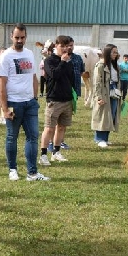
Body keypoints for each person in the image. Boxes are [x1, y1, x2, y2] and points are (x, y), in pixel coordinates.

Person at [0, 24, 49, 182]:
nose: (19, 40)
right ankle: (12, 169)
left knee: (33, 137)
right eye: (17, 37)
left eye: (22, 37)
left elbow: (34, 77)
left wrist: (34, 98)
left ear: (26, 37)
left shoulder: (29, 54)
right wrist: (5, 109)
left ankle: (32, 173)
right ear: (11, 37)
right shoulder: (6, 56)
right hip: (14, 103)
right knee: (12, 137)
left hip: (30, 104)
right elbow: (1, 84)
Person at [39, 35, 75, 165]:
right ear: (56, 46)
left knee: (62, 128)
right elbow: (54, 75)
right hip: (54, 100)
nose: (65, 49)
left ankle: (56, 152)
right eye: (62, 46)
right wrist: (63, 62)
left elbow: (70, 79)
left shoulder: (69, 60)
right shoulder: (49, 60)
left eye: (67, 46)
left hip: (67, 99)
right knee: (49, 128)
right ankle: (43, 155)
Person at [91, 43, 121, 148]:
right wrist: (99, 97)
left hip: (114, 93)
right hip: (104, 93)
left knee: (111, 116)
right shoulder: (100, 65)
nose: (116, 54)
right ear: (108, 52)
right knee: (102, 116)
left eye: (116, 52)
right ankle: (99, 139)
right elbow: (97, 83)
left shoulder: (115, 65)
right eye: (114, 52)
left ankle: (106, 139)